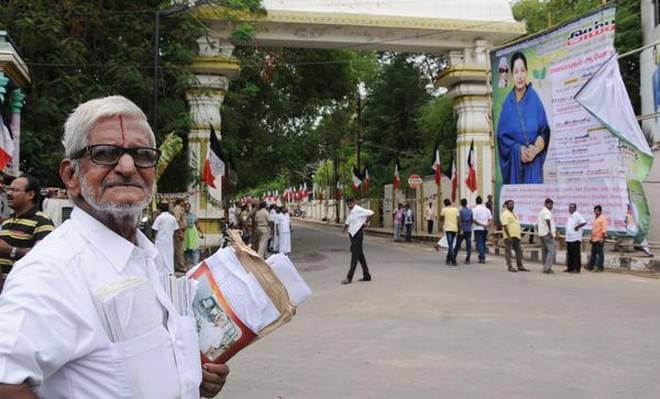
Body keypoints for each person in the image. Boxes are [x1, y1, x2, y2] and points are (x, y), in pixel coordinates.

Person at [0, 96, 228, 398]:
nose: (127, 166)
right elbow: (6, 382)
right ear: (71, 175)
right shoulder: (51, 271)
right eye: (105, 153)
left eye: (142, 154)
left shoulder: (147, 255)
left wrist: (189, 377)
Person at [497, 51, 551, 185]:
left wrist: (535, 149)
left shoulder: (534, 98)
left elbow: (544, 131)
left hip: (533, 166)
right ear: (511, 75)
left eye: (522, 71)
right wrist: (517, 150)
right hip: (515, 168)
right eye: (516, 72)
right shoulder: (507, 104)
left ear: (526, 72)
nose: (520, 76)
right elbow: (501, 137)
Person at [0, 175, 54, 293]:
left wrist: (11, 250)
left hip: (23, 293)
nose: (8, 193)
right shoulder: (6, 223)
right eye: (8, 189)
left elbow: (46, 257)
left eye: (14, 190)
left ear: (30, 195)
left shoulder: (42, 221)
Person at [342, 198, 373, 284]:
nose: (349, 205)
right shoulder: (351, 211)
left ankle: (349, 277)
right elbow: (348, 221)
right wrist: (345, 228)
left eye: (351, 204)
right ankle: (367, 275)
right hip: (352, 235)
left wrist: (365, 223)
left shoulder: (359, 209)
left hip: (358, 234)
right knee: (360, 256)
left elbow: (371, 213)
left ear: (354, 203)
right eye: (348, 204)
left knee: (354, 256)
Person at [501, 200, 529, 272]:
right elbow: (505, 226)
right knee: (508, 252)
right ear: (507, 205)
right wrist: (509, 236)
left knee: (519, 251)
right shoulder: (505, 214)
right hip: (509, 236)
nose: (512, 206)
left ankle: (520, 266)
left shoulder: (514, 213)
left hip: (516, 236)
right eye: (510, 204)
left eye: (513, 204)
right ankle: (510, 266)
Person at [152, 202, 179, 273]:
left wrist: (153, 238)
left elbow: (154, 230)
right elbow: (177, 230)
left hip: (160, 241)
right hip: (169, 241)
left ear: (160, 209)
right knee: (169, 257)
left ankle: (159, 273)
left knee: (159, 258)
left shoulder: (159, 218)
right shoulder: (172, 218)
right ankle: (170, 273)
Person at [565, 203, 586, 273]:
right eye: (569, 208)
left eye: (572, 208)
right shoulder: (570, 216)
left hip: (575, 238)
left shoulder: (577, 215)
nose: (570, 209)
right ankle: (570, 268)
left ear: (575, 208)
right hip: (569, 238)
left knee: (575, 254)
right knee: (570, 253)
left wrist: (577, 227)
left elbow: (584, 222)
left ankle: (576, 269)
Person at [437, 199, 459, 265]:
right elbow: (458, 220)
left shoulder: (444, 210)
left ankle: (453, 260)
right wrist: (459, 228)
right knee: (451, 244)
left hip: (447, 229)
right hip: (455, 229)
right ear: (450, 203)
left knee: (450, 245)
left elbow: (441, 219)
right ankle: (448, 259)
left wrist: (440, 227)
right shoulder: (455, 209)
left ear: (444, 204)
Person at [537, 198, 556, 274]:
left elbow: (536, 224)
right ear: (546, 204)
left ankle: (545, 266)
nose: (551, 206)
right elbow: (548, 221)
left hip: (542, 234)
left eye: (552, 205)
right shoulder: (547, 211)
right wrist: (550, 231)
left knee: (545, 251)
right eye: (550, 205)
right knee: (552, 251)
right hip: (547, 234)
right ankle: (547, 268)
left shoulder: (541, 211)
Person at [586, 205, 608, 272]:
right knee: (593, 253)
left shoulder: (603, 218)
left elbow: (604, 229)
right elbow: (593, 230)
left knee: (600, 254)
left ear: (600, 211)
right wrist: (591, 238)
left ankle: (600, 267)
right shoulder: (596, 218)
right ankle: (590, 266)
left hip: (599, 239)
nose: (595, 212)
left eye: (597, 211)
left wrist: (602, 238)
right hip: (594, 239)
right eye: (595, 211)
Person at [472, 196, 492, 263]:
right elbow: (490, 219)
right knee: (483, 242)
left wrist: (481, 225)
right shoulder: (487, 209)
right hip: (485, 228)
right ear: (481, 201)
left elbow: (474, 220)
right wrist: (487, 225)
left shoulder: (474, 210)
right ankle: (481, 256)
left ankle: (482, 257)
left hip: (478, 228)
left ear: (476, 201)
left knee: (479, 243)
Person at [184, 202, 204, 267]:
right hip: (186, 233)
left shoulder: (193, 215)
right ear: (184, 207)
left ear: (190, 208)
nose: (187, 208)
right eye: (186, 207)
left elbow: (197, 224)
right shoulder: (183, 215)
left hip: (193, 233)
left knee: (195, 249)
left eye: (188, 207)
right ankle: (188, 265)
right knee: (187, 250)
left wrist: (201, 232)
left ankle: (196, 265)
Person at [454, 198, 473, 264]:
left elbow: (459, 221)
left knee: (458, 244)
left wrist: (459, 228)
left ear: (461, 204)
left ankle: (453, 257)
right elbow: (471, 220)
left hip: (462, 229)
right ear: (466, 203)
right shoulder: (470, 210)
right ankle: (468, 259)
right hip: (468, 229)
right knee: (468, 245)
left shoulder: (461, 211)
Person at [172, 197, 187, 272]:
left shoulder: (181, 208)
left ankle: (178, 265)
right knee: (179, 250)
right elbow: (177, 221)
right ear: (180, 201)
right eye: (184, 201)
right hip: (178, 231)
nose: (185, 202)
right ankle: (181, 266)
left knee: (179, 249)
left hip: (181, 230)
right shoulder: (177, 208)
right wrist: (180, 233)